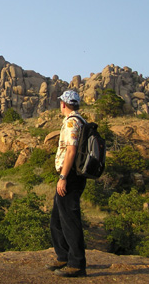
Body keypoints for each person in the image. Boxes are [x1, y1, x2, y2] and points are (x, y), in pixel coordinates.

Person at [47, 90, 87, 278]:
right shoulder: (79, 120)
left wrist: (63, 178)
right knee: (56, 218)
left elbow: (71, 151)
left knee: (70, 220)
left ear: (63, 104)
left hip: (70, 176)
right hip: (71, 175)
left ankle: (77, 264)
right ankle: (63, 256)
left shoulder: (72, 122)